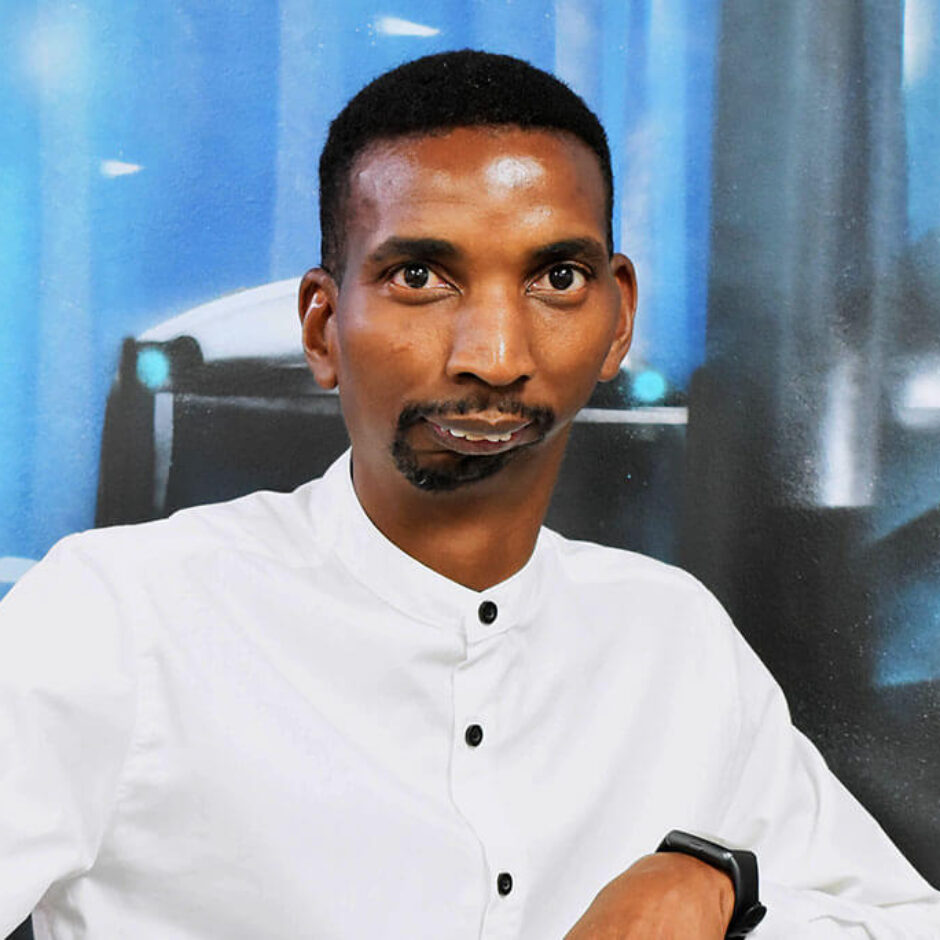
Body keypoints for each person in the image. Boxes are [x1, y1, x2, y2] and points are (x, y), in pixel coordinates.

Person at [1, 50, 938, 940]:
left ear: (618, 318)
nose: (494, 355)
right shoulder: (122, 615)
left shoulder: (673, 640)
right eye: (420, 277)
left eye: (557, 279)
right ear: (323, 328)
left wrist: (717, 884)